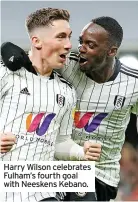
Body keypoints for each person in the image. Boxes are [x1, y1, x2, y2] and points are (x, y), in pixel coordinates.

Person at [0, 8, 101, 202]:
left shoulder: (67, 91)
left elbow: (60, 142)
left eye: (69, 37)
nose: (68, 45)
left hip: (40, 187)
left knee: (84, 186)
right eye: (61, 37)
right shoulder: (6, 75)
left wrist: (81, 152)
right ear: (36, 41)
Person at [56, 16, 138, 201]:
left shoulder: (133, 84)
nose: (81, 49)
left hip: (99, 173)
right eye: (81, 42)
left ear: (111, 51)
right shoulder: (66, 65)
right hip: (58, 165)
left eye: (90, 45)